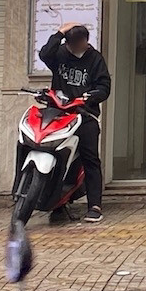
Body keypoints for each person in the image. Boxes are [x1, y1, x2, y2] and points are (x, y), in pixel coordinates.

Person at [39, 23, 111, 222]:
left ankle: (95, 205)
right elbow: (44, 54)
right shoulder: (60, 54)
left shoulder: (95, 58)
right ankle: (55, 202)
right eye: (74, 43)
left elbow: (104, 86)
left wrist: (92, 96)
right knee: (53, 154)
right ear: (68, 42)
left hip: (85, 115)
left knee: (90, 158)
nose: (79, 46)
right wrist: (59, 33)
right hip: (58, 114)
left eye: (82, 42)